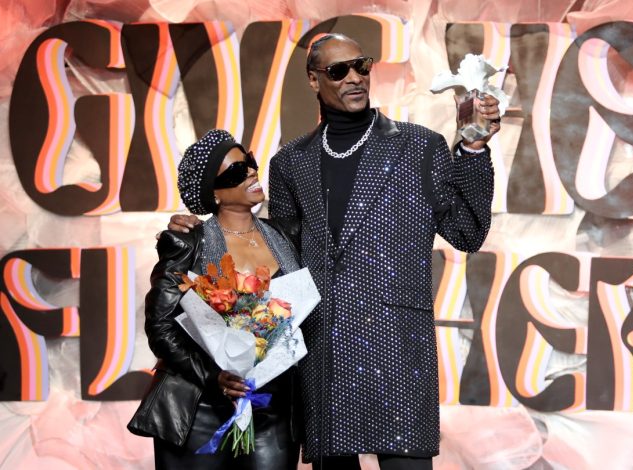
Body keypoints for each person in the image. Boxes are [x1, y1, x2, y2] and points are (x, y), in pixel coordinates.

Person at [169, 34, 500, 469]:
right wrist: (198, 229)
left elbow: (467, 231)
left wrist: (473, 146)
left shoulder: (418, 146)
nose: (355, 78)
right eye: (338, 71)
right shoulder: (291, 162)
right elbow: (277, 251)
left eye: (362, 66)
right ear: (313, 79)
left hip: (397, 339)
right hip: (324, 345)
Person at [128, 129, 302, 469]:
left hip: (272, 409)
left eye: (249, 163)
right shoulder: (189, 241)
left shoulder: (285, 235)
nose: (251, 172)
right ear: (215, 192)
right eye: (237, 171)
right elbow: (161, 327)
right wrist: (213, 376)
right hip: (199, 409)